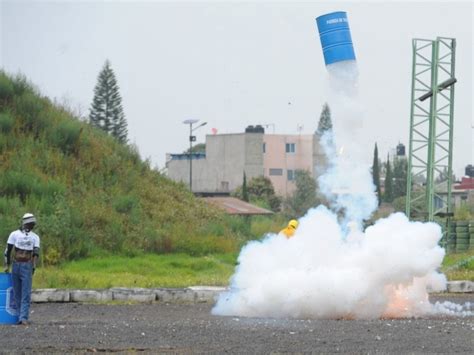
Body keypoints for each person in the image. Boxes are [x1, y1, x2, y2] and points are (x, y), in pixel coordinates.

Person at [3, 213, 40, 325]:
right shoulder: (14, 234)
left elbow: (36, 254)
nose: (32, 225)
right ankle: (20, 316)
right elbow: (8, 250)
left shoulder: (35, 237)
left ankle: (23, 317)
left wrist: (33, 267)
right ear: (25, 223)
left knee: (25, 292)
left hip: (27, 265)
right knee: (17, 292)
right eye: (30, 223)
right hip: (16, 264)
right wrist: (7, 264)